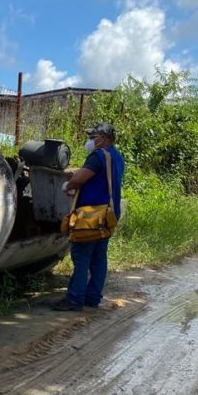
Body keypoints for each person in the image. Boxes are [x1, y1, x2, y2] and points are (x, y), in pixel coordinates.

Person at [52, 122, 124, 312]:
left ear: (106, 139)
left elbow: (79, 178)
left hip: (90, 217)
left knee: (82, 256)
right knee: (99, 257)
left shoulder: (98, 156)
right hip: (108, 215)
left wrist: (68, 186)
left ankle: (74, 299)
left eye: (94, 137)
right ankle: (93, 298)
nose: (91, 140)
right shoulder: (117, 157)